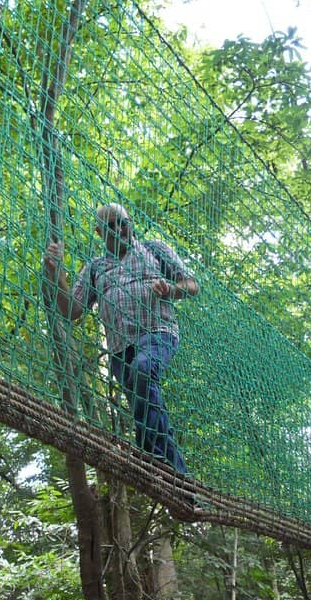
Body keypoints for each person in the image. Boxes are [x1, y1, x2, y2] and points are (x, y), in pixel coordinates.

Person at [44, 203, 199, 474]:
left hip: (158, 331)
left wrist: (170, 290)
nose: (119, 229)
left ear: (131, 222)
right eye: (110, 226)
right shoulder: (95, 268)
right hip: (119, 350)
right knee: (147, 402)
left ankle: (153, 461)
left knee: (142, 370)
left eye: (122, 222)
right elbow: (71, 310)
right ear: (99, 232)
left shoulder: (154, 250)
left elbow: (192, 286)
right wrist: (56, 273)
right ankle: (177, 478)